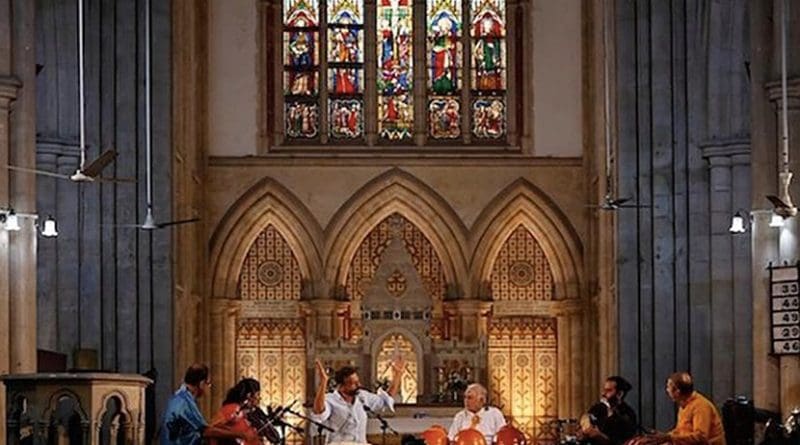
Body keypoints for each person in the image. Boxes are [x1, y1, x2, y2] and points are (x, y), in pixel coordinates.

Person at [310, 358, 405, 444]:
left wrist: (397, 375)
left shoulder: (362, 396)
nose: (358, 385)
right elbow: (319, 412)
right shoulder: (330, 399)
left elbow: (384, 400)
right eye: (353, 383)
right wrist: (323, 383)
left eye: (358, 381)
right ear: (341, 386)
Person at [161, 364, 256, 445]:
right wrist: (241, 434)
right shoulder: (184, 401)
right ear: (201, 383)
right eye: (208, 383)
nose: (208, 388)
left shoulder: (180, 397)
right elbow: (206, 431)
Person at [633, 372, 725, 445]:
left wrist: (669, 438)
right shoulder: (684, 403)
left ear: (677, 391)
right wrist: (662, 437)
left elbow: (701, 437)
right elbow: (681, 431)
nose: (667, 390)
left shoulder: (701, 406)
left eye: (668, 387)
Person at [579, 376, 638, 445]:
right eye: (604, 390)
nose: (603, 394)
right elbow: (587, 417)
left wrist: (598, 436)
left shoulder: (627, 414)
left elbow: (622, 442)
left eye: (608, 390)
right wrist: (583, 428)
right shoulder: (599, 407)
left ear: (619, 394)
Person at [208, 378, 268, 445]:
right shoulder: (233, 408)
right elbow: (210, 430)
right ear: (249, 395)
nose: (259, 398)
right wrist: (241, 435)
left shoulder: (247, 414)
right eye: (258, 394)